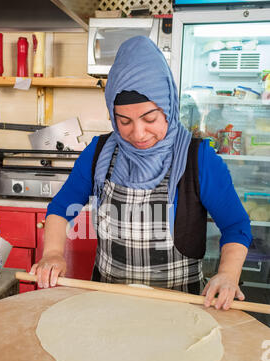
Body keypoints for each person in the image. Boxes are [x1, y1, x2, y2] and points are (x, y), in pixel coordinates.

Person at [30, 36, 252, 311]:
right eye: (124, 121)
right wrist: (52, 253)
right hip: (109, 304)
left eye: (150, 119)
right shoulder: (100, 153)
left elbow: (236, 225)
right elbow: (61, 207)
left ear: (168, 107)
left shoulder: (199, 160)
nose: (138, 134)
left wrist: (228, 275)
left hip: (181, 309)